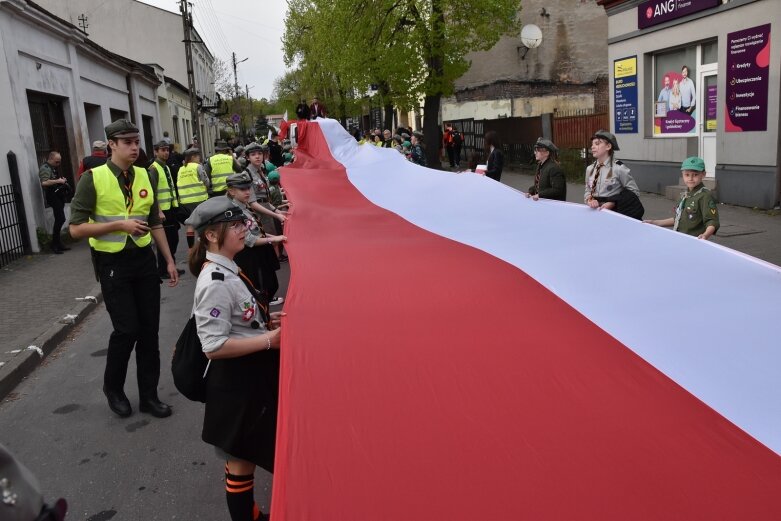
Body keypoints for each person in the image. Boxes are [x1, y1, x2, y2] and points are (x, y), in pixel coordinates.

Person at [68, 119, 178, 419]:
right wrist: (120, 225)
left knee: (149, 332)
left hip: (143, 261)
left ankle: (149, 396)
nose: (134, 147)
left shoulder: (146, 174)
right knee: (126, 329)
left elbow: (154, 221)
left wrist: (167, 259)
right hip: (112, 263)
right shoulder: (93, 178)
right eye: (127, 142)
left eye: (136, 141)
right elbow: (75, 229)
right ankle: (113, 389)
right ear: (111, 145)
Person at [185, 196, 283, 521]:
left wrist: (271, 325)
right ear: (212, 235)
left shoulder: (230, 270)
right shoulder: (215, 281)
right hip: (236, 385)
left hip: (249, 379)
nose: (245, 229)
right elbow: (212, 346)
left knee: (243, 459)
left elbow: (244, 322)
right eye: (237, 225)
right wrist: (270, 339)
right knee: (240, 462)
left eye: (244, 223)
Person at [225, 172, 287, 305]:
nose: (247, 192)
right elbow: (250, 240)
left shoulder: (243, 206)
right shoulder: (235, 211)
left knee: (269, 283)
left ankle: (264, 303)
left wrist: (274, 237)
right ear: (231, 191)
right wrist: (273, 239)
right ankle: (262, 307)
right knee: (261, 286)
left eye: (248, 188)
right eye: (242, 189)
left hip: (258, 250)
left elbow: (256, 231)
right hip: (250, 255)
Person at [644, 157, 719, 239]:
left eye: (695, 175)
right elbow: (679, 219)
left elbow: (712, 221)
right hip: (679, 238)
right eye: (687, 175)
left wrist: (705, 235)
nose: (690, 178)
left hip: (694, 241)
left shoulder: (705, 196)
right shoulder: (684, 195)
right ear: (682, 175)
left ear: (703, 175)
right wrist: (656, 223)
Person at [584, 130, 644, 220]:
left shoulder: (619, 168)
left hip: (614, 213)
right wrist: (589, 199)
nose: (592, 147)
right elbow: (588, 190)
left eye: (597, 144)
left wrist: (613, 202)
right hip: (595, 213)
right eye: (592, 144)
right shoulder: (590, 169)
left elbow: (634, 192)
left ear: (608, 146)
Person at [149, 140, 185, 279]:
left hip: (170, 209)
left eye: (167, 150)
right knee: (167, 240)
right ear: (156, 152)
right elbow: (153, 192)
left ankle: (170, 266)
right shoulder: (154, 168)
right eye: (162, 150)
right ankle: (163, 270)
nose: (166, 152)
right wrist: (158, 211)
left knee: (173, 239)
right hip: (163, 211)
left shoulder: (166, 167)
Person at [38, 151, 70, 254]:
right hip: (52, 195)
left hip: (57, 194)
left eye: (60, 162)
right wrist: (58, 181)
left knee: (60, 219)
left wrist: (61, 180)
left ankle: (58, 243)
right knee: (60, 219)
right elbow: (44, 182)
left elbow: (52, 179)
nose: (58, 164)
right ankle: (55, 244)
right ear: (50, 159)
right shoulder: (45, 168)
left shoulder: (52, 167)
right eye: (57, 162)